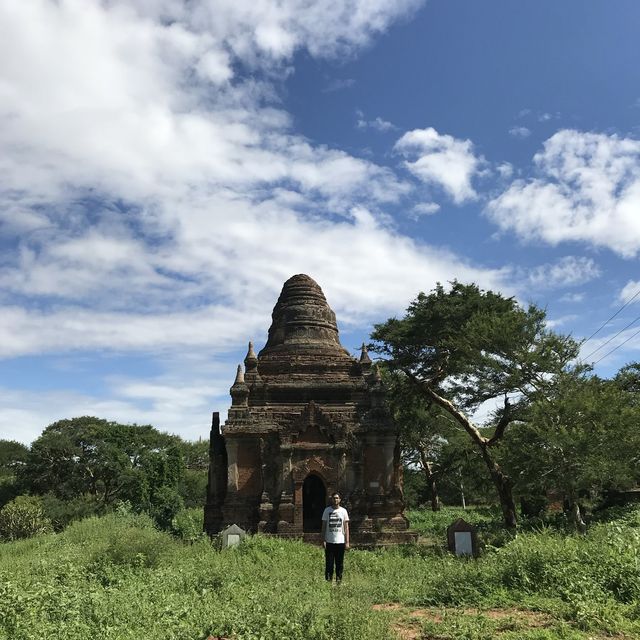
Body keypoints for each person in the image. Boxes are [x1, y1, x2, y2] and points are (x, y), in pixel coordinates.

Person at [321, 492, 350, 582]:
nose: (335, 499)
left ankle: (338, 581)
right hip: (329, 542)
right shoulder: (327, 510)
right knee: (329, 564)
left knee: (339, 563)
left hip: (340, 542)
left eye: (337, 498)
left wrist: (347, 542)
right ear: (331, 499)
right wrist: (323, 540)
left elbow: (346, 527)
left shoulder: (343, 511)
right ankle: (328, 581)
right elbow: (324, 526)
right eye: (334, 498)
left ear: (340, 500)